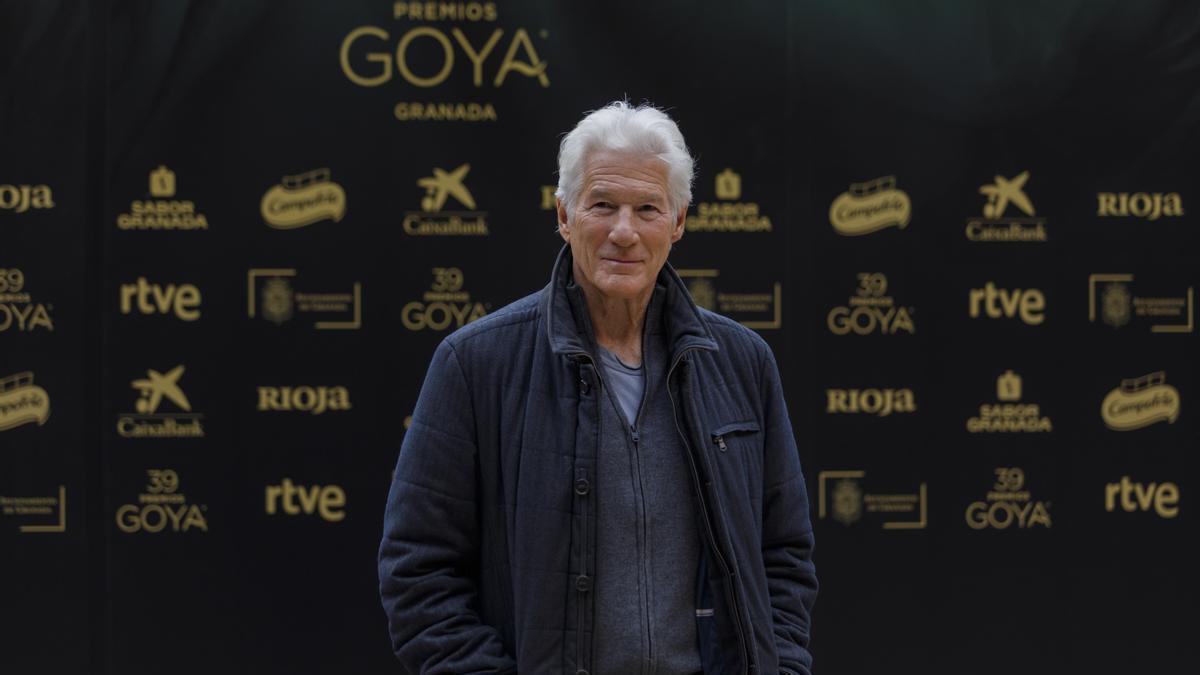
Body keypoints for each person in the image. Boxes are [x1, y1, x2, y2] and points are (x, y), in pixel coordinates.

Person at [379, 101, 817, 674]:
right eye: (602, 205)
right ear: (564, 215)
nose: (624, 231)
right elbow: (418, 572)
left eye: (647, 209)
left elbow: (783, 556)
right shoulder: (474, 363)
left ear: (679, 222)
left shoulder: (742, 363)